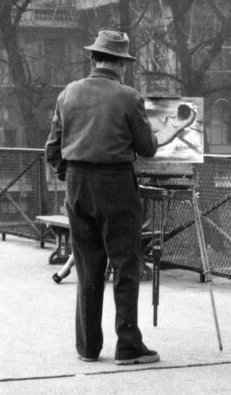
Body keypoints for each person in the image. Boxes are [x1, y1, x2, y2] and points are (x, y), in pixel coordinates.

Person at [45, 29, 160, 365]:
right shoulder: (128, 97)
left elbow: (53, 148)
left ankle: (87, 347)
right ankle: (128, 346)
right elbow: (147, 148)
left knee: (87, 267)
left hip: (78, 185)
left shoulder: (68, 94)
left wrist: (69, 175)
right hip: (116, 186)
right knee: (125, 265)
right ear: (122, 64)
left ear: (93, 58)